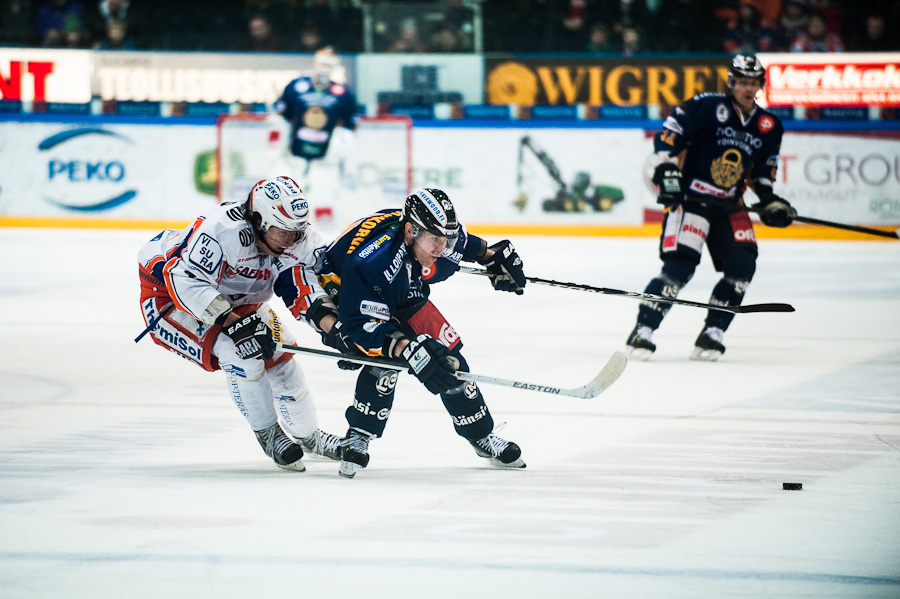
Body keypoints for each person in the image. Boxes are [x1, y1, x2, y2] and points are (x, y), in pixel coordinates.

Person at [312, 188, 528, 478]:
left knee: (448, 360)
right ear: (411, 231)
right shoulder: (372, 263)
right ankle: (358, 435)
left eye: (445, 239)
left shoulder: (426, 232)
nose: (441, 247)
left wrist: (492, 257)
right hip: (349, 291)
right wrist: (405, 347)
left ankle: (481, 436)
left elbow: (461, 242)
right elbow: (361, 325)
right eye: (435, 240)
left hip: (402, 286)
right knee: (385, 362)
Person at [137, 176, 344, 471]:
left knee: (284, 363)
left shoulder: (300, 239)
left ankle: (309, 438)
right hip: (169, 299)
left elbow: (304, 286)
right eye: (282, 232)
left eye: (297, 232)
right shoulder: (221, 230)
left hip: (236, 299)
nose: (291, 241)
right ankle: (270, 435)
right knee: (243, 353)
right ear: (258, 220)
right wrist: (234, 323)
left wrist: (333, 325)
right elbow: (184, 280)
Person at [626, 54, 794, 362]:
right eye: (742, 81)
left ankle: (713, 331)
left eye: (753, 82)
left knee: (743, 266)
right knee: (679, 269)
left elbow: (762, 172)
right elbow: (670, 133)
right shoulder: (707, 105)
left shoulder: (769, 125)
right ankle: (643, 330)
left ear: (760, 86)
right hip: (690, 201)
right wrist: (665, 165)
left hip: (729, 205)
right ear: (731, 82)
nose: (747, 88)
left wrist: (770, 200)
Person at [275, 46, 357, 225]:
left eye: (329, 65)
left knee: (324, 209)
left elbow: (350, 128)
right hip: (295, 158)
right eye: (321, 63)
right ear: (313, 63)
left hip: (325, 159)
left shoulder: (343, 93)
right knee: (287, 205)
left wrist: (343, 159)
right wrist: (278, 150)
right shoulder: (296, 87)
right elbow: (282, 119)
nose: (323, 69)